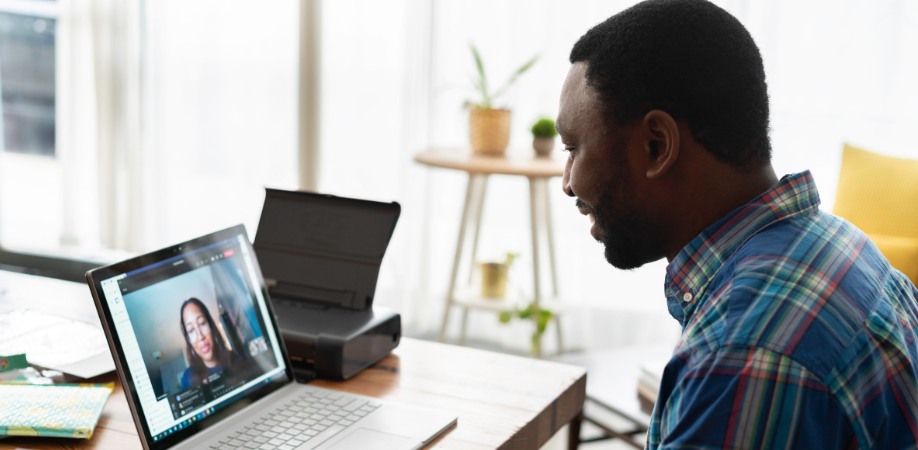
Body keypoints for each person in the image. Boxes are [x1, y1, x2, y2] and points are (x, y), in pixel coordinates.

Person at [556, 1, 918, 449]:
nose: (568, 183)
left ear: (656, 146)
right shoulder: (844, 245)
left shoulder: (743, 357)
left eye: (573, 147)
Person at [179, 297, 236, 390]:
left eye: (202, 323)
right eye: (191, 330)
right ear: (188, 340)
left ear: (211, 325)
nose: (200, 336)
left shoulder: (236, 357)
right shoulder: (188, 378)